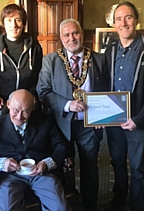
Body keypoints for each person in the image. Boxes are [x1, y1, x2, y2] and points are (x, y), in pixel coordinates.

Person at [36, 19, 109, 210]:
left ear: (82, 34)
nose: (71, 38)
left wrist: (105, 116)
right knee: (59, 168)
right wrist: (68, 104)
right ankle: (63, 205)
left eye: (75, 33)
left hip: (90, 124)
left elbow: (108, 90)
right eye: (66, 35)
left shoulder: (99, 59)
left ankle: (90, 206)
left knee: (90, 169)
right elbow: (43, 91)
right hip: (61, 125)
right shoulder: (50, 61)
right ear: (61, 38)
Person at [104, 2, 144, 210]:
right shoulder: (110, 48)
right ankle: (119, 198)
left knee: (138, 167)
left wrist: (138, 120)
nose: (123, 23)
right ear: (114, 24)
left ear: (136, 21)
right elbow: (104, 83)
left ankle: (138, 204)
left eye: (128, 17)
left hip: (137, 120)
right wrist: (100, 114)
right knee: (117, 162)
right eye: (119, 19)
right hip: (113, 119)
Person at [0, 89, 69, 211]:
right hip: (10, 177)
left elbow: (61, 146)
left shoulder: (45, 121)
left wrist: (46, 163)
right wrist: (1, 163)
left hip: (41, 173)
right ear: (8, 104)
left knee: (60, 207)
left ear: (32, 108)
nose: (19, 117)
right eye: (16, 110)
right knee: (7, 208)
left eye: (25, 111)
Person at [0, 3, 43, 110]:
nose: (14, 25)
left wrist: (32, 95)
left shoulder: (35, 47)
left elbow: (39, 75)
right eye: (9, 20)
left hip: (28, 102)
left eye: (18, 20)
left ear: (23, 24)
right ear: (3, 23)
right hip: (2, 102)